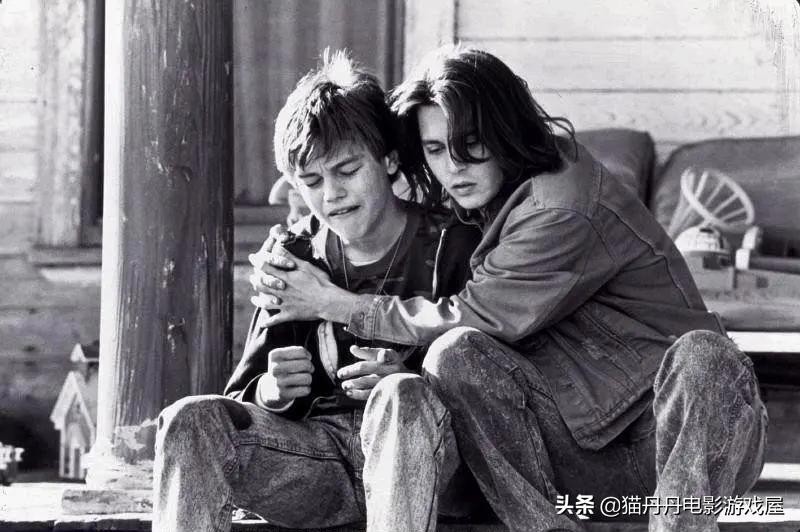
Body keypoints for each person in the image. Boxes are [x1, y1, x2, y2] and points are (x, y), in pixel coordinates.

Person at [250, 45, 768, 532]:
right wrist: (283, 252)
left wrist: (336, 304)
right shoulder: (474, 185)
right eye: (435, 149)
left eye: (470, 145)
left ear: (506, 129)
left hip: (675, 438)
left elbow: (474, 313)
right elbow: (352, 186)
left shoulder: (559, 208)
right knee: (455, 356)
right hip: (581, 449)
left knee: (705, 355)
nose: (453, 167)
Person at [152, 50, 484, 532]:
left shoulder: (453, 242)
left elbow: (485, 380)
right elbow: (244, 394)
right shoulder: (294, 254)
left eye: (347, 171)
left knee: (401, 395)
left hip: (430, 464)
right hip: (317, 461)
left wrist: (412, 377)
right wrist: (272, 391)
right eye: (310, 180)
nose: (331, 194)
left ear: (389, 161)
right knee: (191, 420)